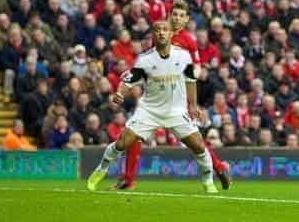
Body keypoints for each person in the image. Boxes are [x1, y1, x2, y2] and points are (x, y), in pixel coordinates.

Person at [87, 20, 217, 193]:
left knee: (199, 146)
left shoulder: (183, 57)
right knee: (122, 143)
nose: (162, 33)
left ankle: (208, 182)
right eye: (158, 30)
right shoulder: (146, 60)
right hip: (149, 111)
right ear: (154, 36)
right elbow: (128, 80)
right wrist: (120, 93)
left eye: (165, 30)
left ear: (171, 34)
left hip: (176, 111)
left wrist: (193, 105)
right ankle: (101, 169)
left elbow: (191, 81)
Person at [114, 0, 232, 190]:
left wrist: (192, 102)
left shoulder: (189, 41)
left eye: (181, 16)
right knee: (135, 135)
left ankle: (218, 167)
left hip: (178, 95)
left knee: (193, 140)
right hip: (156, 93)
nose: (177, 18)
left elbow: (195, 71)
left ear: (186, 19)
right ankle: (128, 179)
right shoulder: (160, 33)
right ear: (169, 16)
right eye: (174, 14)